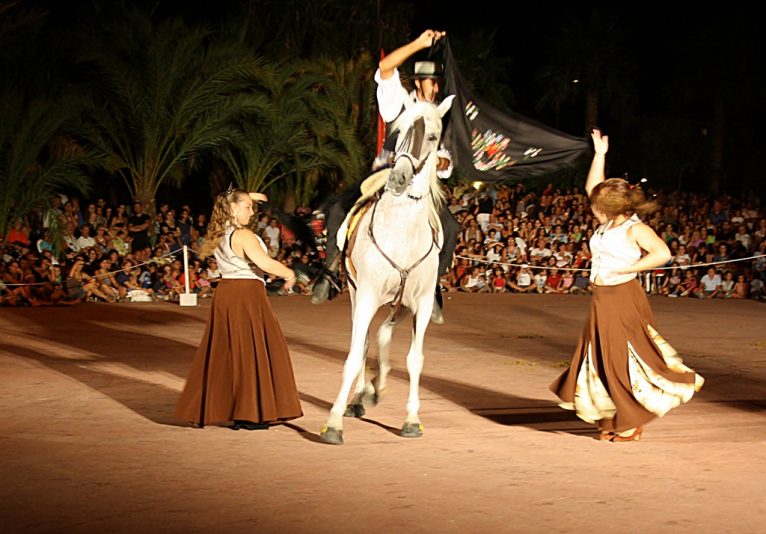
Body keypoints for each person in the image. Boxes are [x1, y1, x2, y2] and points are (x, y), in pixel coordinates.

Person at [550, 129, 703, 442]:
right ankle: (611, 414)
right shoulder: (607, 222)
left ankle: (631, 420)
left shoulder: (635, 229)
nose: (593, 205)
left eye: (598, 203)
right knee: (599, 357)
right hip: (602, 299)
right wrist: (600, 155)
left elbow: (663, 254)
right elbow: (592, 187)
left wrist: (629, 267)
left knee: (620, 359)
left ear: (611, 207)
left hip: (622, 297)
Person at [311, 29, 460, 325]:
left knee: (451, 228)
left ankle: (433, 287)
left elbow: (446, 164)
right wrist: (419, 44)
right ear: (419, 82)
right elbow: (385, 68)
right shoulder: (399, 101)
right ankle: (329, 272)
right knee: (340, 209)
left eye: (438, 84)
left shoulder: (438, 117)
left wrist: (442, 160)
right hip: (387, 173)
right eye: (431, 83)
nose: (434, 89)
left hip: (420, 185)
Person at [175, 188, 302, 431]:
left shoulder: (221, 231)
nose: (252, 211)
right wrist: (289, 273)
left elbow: (228, 201)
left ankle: (240, 410)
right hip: (246, 294)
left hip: (227, 293)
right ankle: (250, 412)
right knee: (251, 351)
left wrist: (249, 197)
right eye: (247, 207)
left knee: (230, 353)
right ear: (233, 209)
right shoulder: (243, 235)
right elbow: (264, 263)